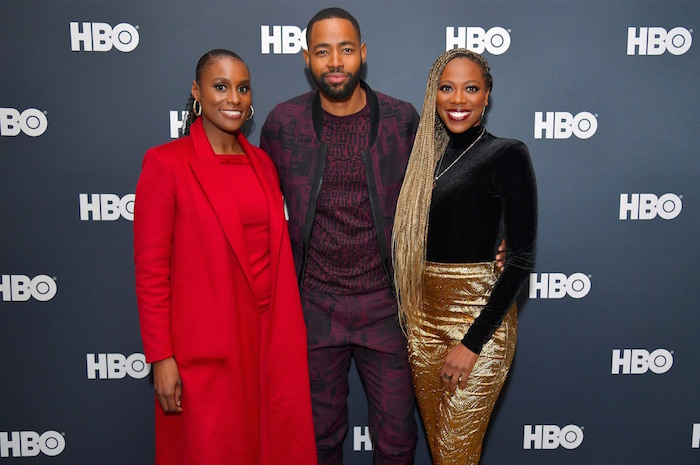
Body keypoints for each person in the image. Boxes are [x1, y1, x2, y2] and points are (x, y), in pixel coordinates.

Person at [134, 49, 316, 465]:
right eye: (221, 86)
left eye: (243, 88)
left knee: (276, 449)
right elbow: (151, 272)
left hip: (271, 340)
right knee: (213, 451)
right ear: (197, 92)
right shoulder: (166, 164)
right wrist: (161, 358)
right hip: (208, 348)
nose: (233, 97)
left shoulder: (263, 163)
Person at [259, 8, 420, 465]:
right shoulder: (283, 124)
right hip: (313, 307)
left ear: (362, 55)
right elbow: (254, 203)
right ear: (307, 58)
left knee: (396, 440)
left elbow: (436, 197)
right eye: (324, 51)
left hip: (385, 307)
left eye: (346, 50)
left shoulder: (400, 120)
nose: (336, 61)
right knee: (317, 439)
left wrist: (495, 238)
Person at [392, 48, 537, 465]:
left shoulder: (507, 154)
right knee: (445, 454)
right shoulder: (421, 161)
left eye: (471, 88)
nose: (458, 99)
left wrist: (472, 343)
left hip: (477, 323)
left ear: (487, 95)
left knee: (456, 454)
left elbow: (522, 260)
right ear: (433, 94)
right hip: (421, 322)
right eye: (447, 88)